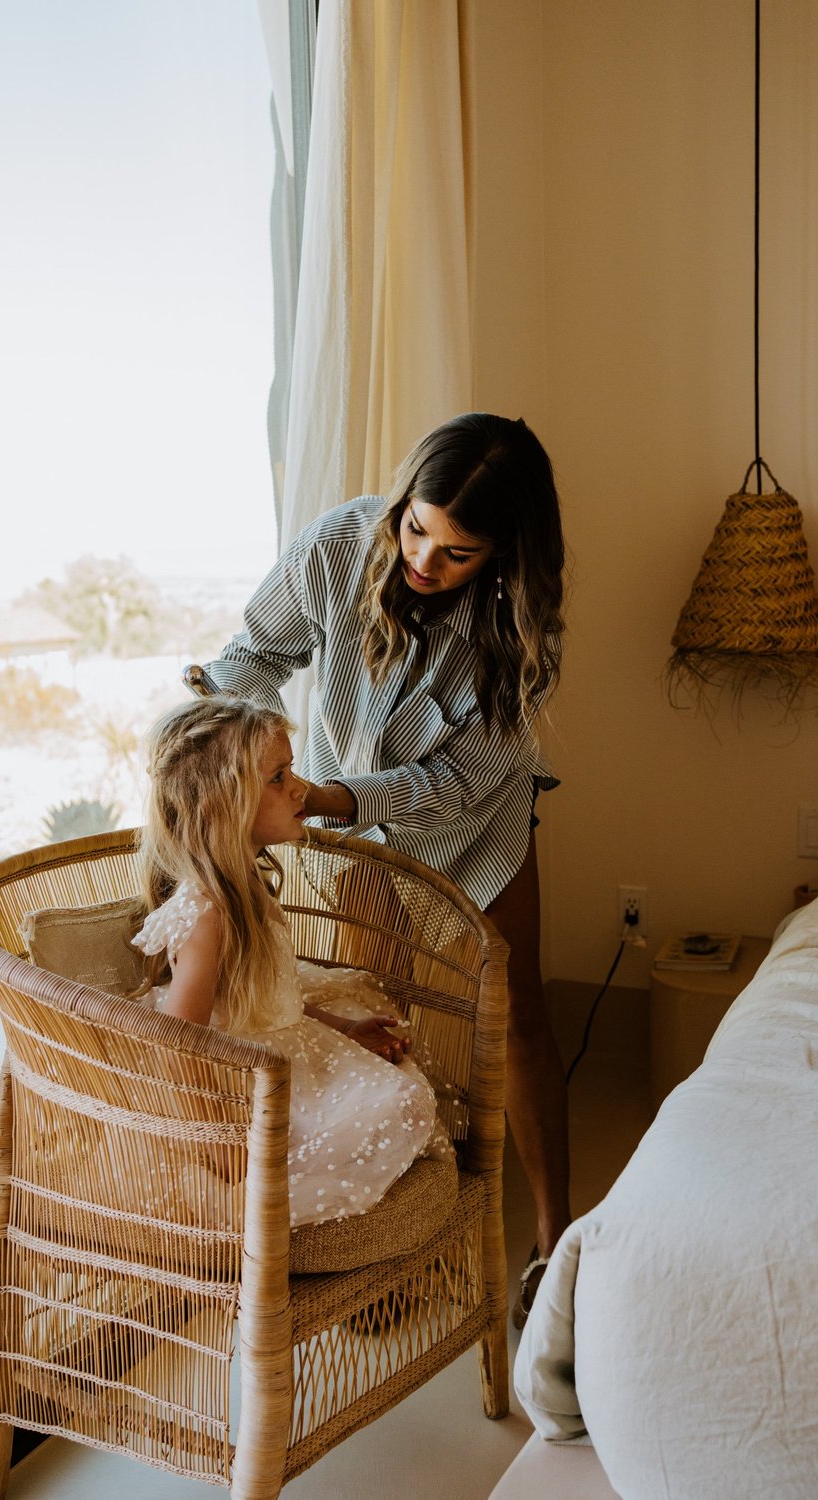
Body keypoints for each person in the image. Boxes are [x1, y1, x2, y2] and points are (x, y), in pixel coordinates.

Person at [204, 411, 571, 1326]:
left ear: (503, 554)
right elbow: (253, 657)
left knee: (517, 1015)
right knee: (385, 1021)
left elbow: (453, 781)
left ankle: (557, 1241)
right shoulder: (338, 546)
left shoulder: (519, 631)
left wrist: (330, 800)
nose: (424, 561)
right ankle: (394, 1238)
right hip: (359, 837)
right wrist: (235, 754)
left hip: (476, 831)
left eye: (458, 552)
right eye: (417, 528)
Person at [132, 694, 450, 1228]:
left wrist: (344, 1027)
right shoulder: (208, 913)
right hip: (248, 1083)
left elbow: (271, 1000)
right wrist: (222, 1146)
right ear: (222, 802)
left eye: (292, 770)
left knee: (406, 1096)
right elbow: (178, 1048)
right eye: (278, 777)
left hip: (288, 1048)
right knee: (398, 1106)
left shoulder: (249, 882)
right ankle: (280, 1200)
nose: (301, 787)